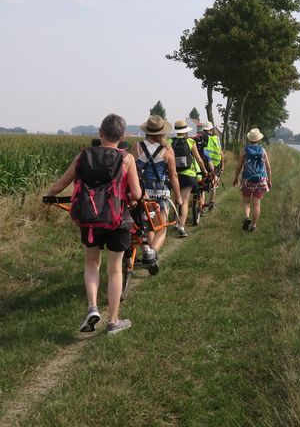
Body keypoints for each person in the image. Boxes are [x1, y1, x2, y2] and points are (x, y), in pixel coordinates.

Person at [45, 114, 142, 336]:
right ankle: (114, 321)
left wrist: (48, 195)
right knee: (115, 269)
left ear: (100, 133)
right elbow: (136, 192)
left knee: (91, 265)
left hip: (89, 220)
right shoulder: (126, 159)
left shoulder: (83, 155)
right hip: (117, 220)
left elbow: (61, 184)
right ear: (123, 135)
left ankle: (92, 308)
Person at [132, 115, 182, 252]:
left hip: (142, 194)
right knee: (161, 228)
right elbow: (174, 176)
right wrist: (178, 197)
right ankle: (152, 253)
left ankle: (147, 249)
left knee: (147, 225)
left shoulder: (136, 147)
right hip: (161, 195)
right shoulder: (167, 149)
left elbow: (132, 171)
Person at [168, 119, 207, 237]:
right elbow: (199, 159)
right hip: (188, 175)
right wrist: (204, 170)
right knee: (184, 202)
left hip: (174, 174)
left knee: (176, 199)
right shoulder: (190, 142)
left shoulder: (169, 141)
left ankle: (175, 222)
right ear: (186, 131)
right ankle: (181, 226)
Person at [232, 128, 272, 232]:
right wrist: (269, 180)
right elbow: (268, 167)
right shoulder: (263, 150)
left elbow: (239, 166)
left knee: (246, 201)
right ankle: (253, 226)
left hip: (247, 179)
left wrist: (236, 178)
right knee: (257, 203)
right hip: (261, 179)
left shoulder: (244, 150)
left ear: (249, 139)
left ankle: (246, 217)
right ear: (259, 140)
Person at [200, 121, 224, 210]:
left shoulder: (200, 138)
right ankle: (211, 203)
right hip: (215, 164)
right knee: (213, 183)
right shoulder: (216, 138)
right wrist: (223, 166)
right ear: (211, 129)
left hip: (203, 164)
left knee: (201, 186)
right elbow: (221, 153)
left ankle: (201, 206)